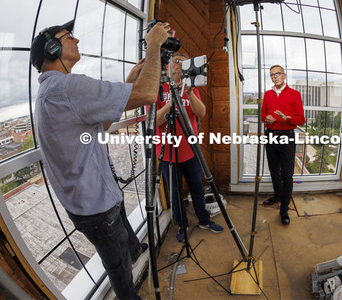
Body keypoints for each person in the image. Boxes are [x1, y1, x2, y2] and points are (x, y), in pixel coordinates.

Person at [30, 19, 170, 300]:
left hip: (95, 198)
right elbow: (146, 94)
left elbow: (103, 123)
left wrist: (129, 80)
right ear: (53, 48)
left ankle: (135, 252)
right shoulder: (67, 87)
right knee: (117, 265)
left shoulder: (51, 92)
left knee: (124, 242)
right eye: (69, 37)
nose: (77, 41)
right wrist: (154, 45)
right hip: (95, 207)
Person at [155, 53, 223, 242]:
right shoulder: (159, 89)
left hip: (191, 152)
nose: (178, 75)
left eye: (182, 70)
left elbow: (201, 113)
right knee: (175, 194)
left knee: (197, 189)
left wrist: (190, 93)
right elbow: (155, 121)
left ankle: (204, 220)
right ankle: (182, 225)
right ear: (168, 68)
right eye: (175, 70)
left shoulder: (191, 89)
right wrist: (171, 102)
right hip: (168, 155)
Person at [261, 65, 305, 225]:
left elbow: (301, 119)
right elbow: (263, 115)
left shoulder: (295, 94)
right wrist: (267, 119)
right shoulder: (267, 94)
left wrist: (284, 118)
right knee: (274, 170)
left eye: (277, 74)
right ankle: (277, 196)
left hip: (287, 137)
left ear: (284, 75)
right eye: (272, 75)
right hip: (270, 135)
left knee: (287, 175)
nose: (275, 77)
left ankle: (284, 209)